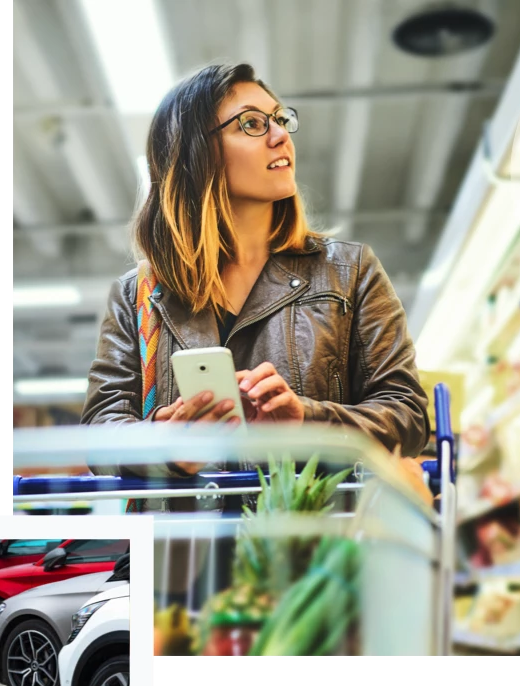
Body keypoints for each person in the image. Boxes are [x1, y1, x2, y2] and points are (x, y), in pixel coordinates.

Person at [81, 61, 430, 500]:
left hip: (310, 551)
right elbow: (100, 431)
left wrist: (307, 419)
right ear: (194, 153)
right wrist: (167, 447)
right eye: (251, 123)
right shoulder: (138, 296)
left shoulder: (349, 272)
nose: (280, 135)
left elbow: (409, 417)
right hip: (183, 554)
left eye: (281, 119)